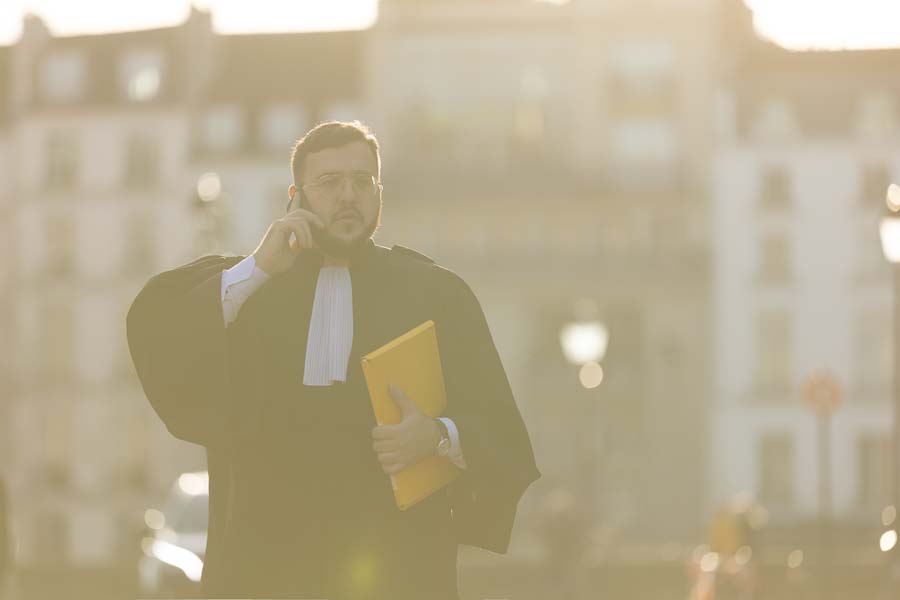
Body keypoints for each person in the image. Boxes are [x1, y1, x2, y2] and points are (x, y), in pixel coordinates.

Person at [127, 121, 540, 599]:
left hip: (396, 571)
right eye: (329, 182)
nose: (349, 195)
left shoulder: (437, 295)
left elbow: (503, 434)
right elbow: (162, 337)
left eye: (362, 181)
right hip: (262, 574)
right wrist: (258, 268)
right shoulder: (248, 288)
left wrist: (436, 436)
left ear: (379, 191)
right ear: (295, 196)